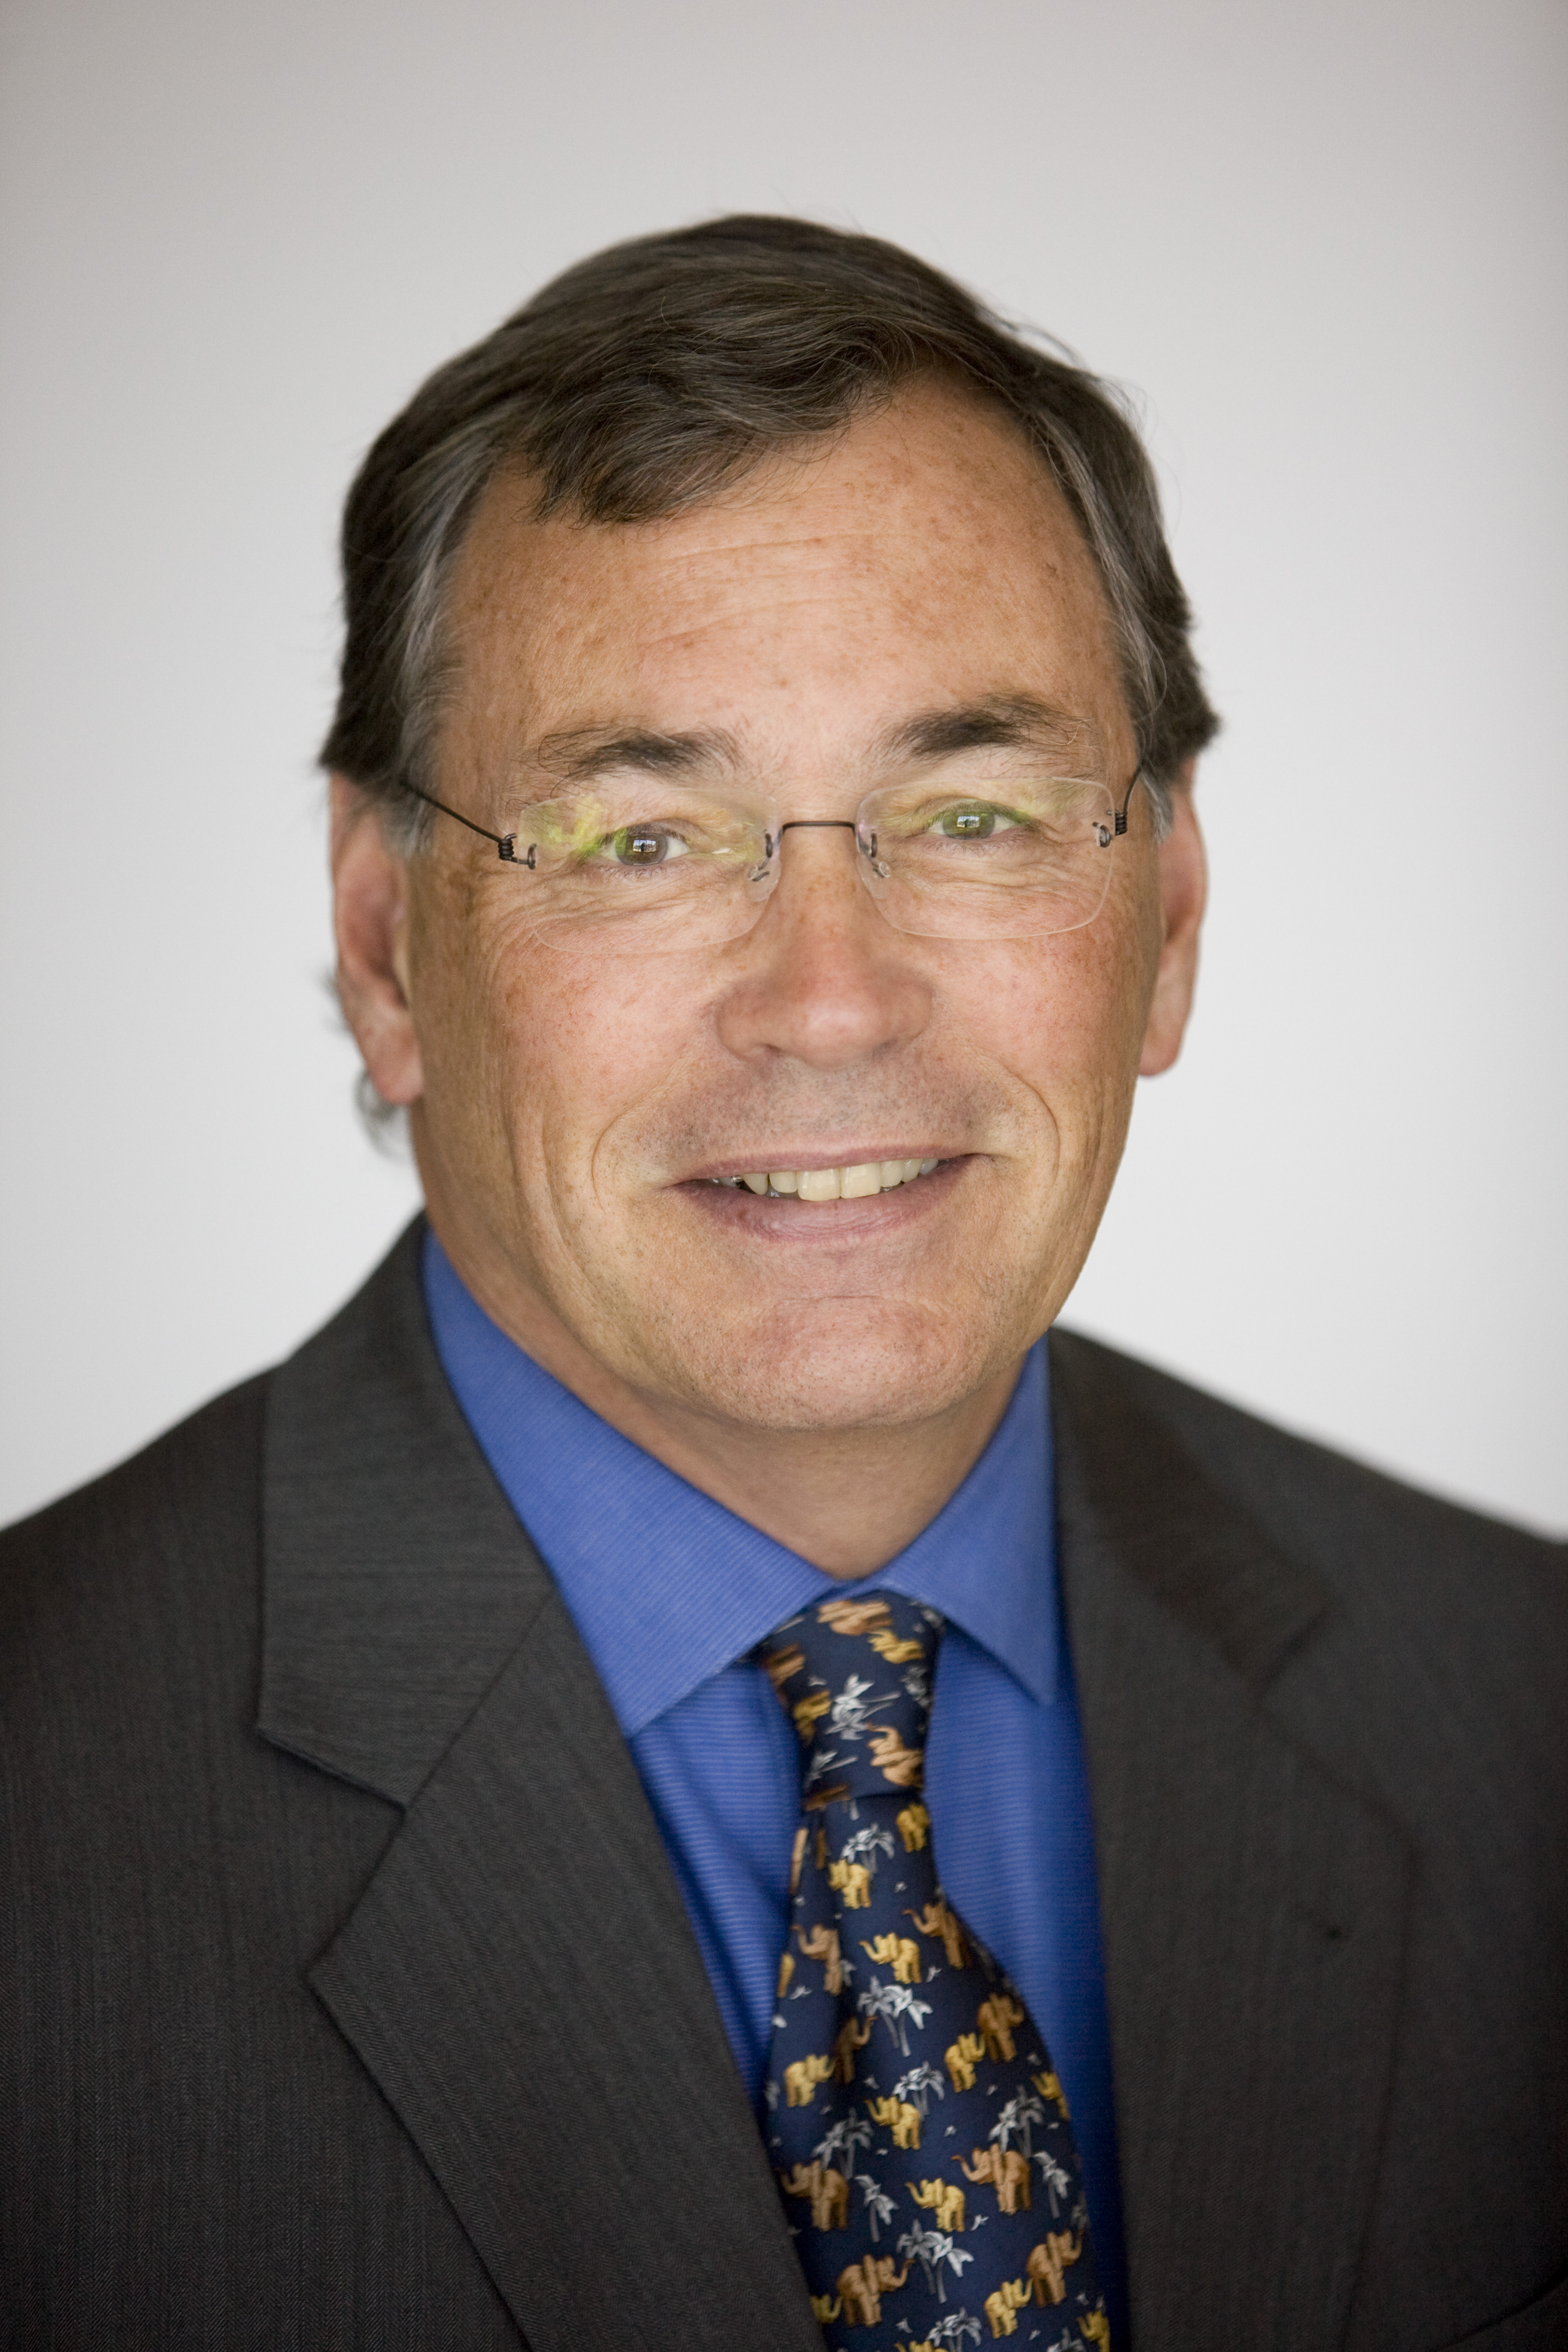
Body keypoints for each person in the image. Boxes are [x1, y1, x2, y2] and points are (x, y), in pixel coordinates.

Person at [1, 216, 1562, 2352]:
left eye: (975, 813)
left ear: (1170, 916)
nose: (830, 1001)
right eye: (638, 840)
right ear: (386, 947)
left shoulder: (1522, 1713)